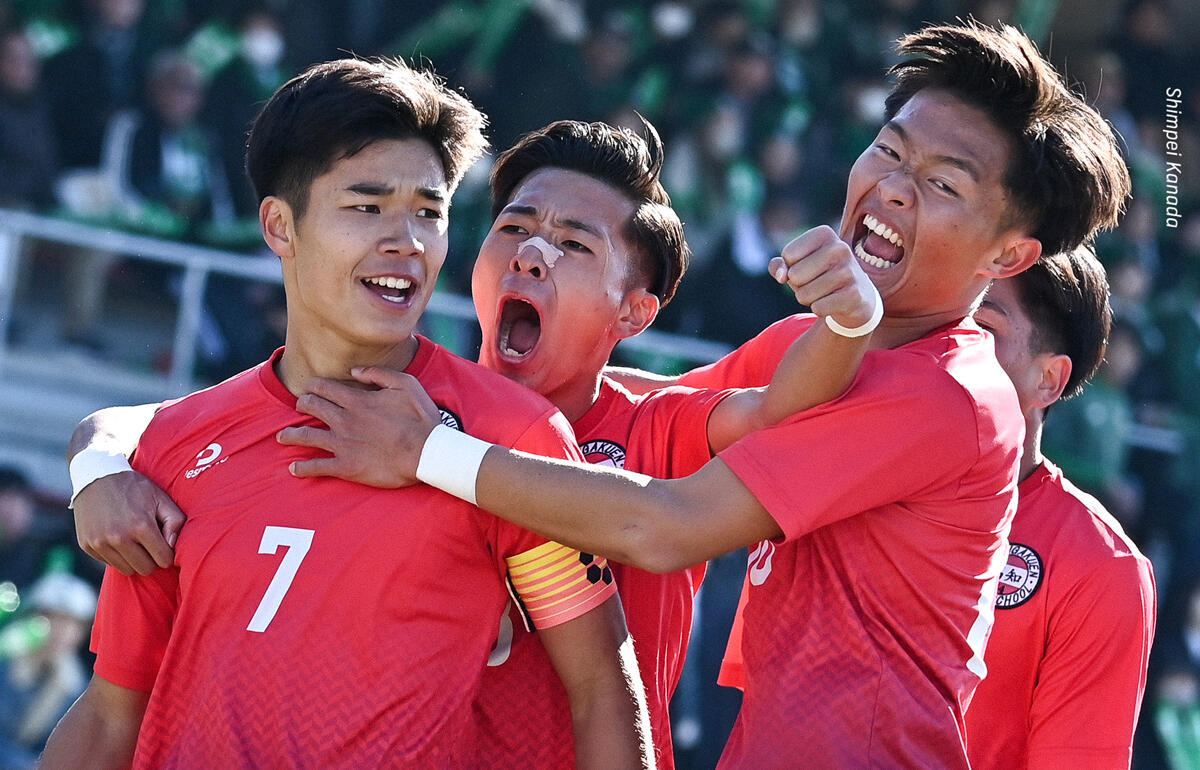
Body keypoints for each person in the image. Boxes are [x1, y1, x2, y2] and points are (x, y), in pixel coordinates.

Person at [270, 21, 1130, 767]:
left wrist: (428, 450)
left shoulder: (949, 394)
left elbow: (664, 523)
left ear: (1009, 256)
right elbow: (638, 417)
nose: (896, 185)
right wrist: (127, 452)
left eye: (944, 184)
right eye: (891, 150)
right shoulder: (812, 341)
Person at [65, 117, 876, 768]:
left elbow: (773, 410)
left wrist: (848, 318)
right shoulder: (376, 413)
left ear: (634, 314)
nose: (531, 250)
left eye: (574, 244)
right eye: (515, 225)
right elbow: (176, 427)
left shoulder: (647, 423)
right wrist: (97, 458)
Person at [41, 57, 652, 769]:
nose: (408, 241)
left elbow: (600, 691)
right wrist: (98, 460)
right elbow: (116, 710)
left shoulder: (509, 439)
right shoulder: (169, 451)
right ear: (280, 226)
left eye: (429, 212)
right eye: (367, 207)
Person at [966, 246, 1155, 768]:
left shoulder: (1099, 568)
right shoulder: (846, 496)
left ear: (1047, 380)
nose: (946, 347)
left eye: (979, 329)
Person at [0, 571, 97, 769]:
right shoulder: (5, 661)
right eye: (54, 618)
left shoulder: (79, 688)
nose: (61, 631)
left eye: (72, 623)